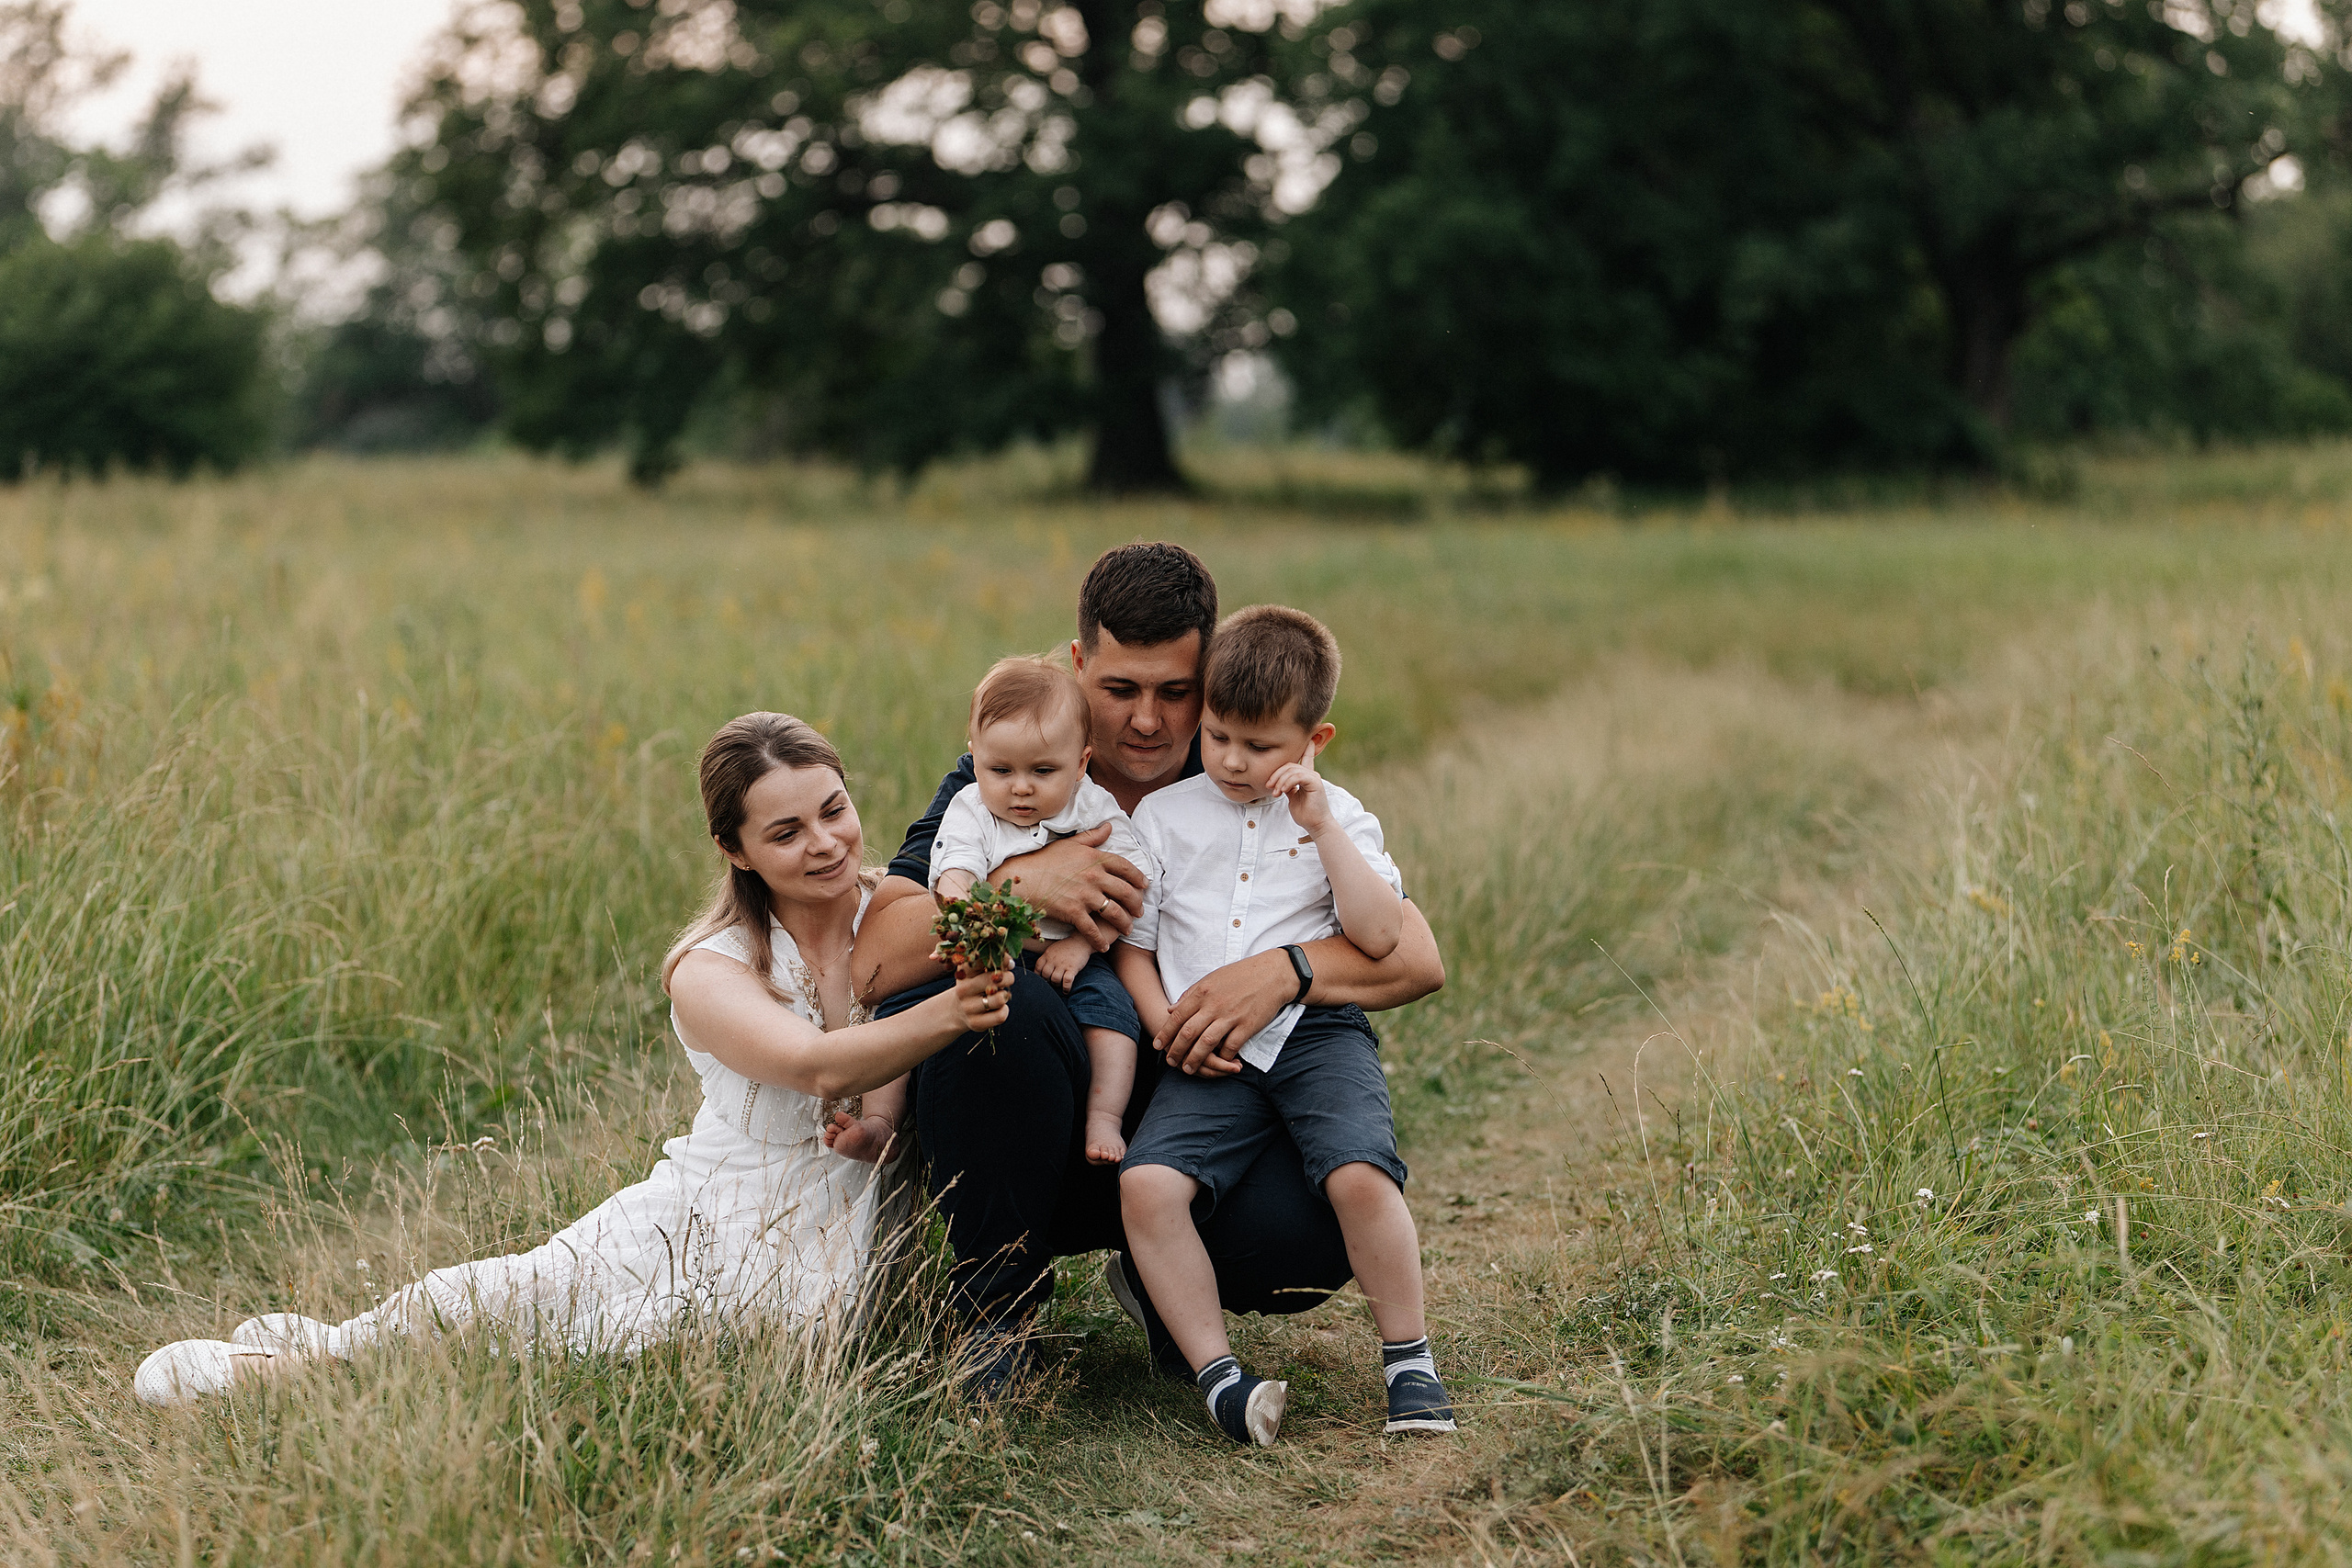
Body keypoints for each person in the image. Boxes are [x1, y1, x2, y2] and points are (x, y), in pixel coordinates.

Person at [134, 713, 1010, 1407]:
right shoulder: (709, 967)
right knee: (528, 1303)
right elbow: (818, 1066)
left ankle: (341, 1364)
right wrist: (952, 1011)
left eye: (833, 809)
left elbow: (982, 905)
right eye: (786, 831)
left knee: (705, 1331)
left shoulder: (889, 909)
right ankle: (310, 1368)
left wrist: (894, 1109)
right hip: (714, 1199)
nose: (825, 843)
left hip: (849, 1213)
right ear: (734, 850)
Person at [856, 543, 1447, 1393]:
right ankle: (997, 1310)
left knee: (1306, 1241)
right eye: (1120, 689)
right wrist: (1013, 886)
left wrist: (1285, 970)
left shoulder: (1248, 777)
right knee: (996, 1002)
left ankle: (1159, 1281)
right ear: (1077, 663)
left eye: (1177, 693)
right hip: (1047, 1115)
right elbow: (877, 959)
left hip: (1199, 1102)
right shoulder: (1013, 773)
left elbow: (1417, 956)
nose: (1147, 720)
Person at [1115, 605, 1453, 1444]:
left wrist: (1324, 828)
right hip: (1204, 1048)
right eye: (1220, 736)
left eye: (1260, 746)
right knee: (1147, 1186)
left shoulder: (1341, 817)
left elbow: (1380, 937)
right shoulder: (1165, 820)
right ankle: (1220, 1378)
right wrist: (1165, 1026)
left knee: (1357, 1173)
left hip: (1317, 1033)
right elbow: (1135, 945)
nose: (1232, 760)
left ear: (1315, 739)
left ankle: (1410, 1362)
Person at [927, 655, 1148, 1166]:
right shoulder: (972, 809)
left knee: (1115, 1023)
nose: (1020, 787)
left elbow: (1134, 887)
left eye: (1043, 771)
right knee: (954, 1007)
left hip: (1080, 954)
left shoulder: (1093, 807)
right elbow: (955, 873)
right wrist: (972, 923)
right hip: (1003, 949)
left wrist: (1081, 945)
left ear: (1082, 763)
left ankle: (1104, 1117)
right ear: (974, 759)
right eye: (1000, 770)